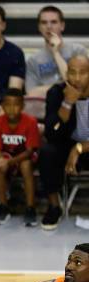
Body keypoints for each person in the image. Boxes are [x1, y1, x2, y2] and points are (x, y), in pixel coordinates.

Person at [39, 54, 89, 231]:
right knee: (47, 151)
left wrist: (79, 148)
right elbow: (52, 133)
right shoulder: (56, 93)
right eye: (72, 73)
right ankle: (54, 206)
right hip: (66, 145)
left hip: (85, 147)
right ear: (66, 74)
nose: (77, 78)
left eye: (82, 73)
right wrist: (67, 104)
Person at [0, 89, 40, 226]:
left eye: (16, 105)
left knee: (25, 165)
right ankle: (3, 207)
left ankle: (30, 208)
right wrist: (2, 160)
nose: (12, 109)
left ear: (23, 106)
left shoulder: (30, 122)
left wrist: (10, 162)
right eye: (8, 105)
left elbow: (30, 151)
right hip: (7, 156)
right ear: (2, 106)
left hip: (26, 156)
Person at [26, 5, 88, 97]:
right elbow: (31, 93)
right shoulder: (33, 60)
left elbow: (77, 84)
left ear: (62, 26)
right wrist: (63, 87)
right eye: (44, 22)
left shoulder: (78, 51)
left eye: (54, 22)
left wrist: (56, 53)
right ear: (39, 27)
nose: (49, 26)